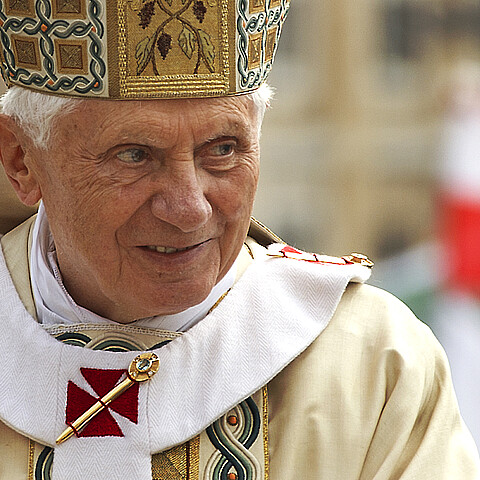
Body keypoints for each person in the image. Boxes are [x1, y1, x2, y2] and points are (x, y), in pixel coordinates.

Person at [0, 1, 478, 479]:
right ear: (22, 159)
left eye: (223, 149)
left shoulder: (373, 367)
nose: (190, 209)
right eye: (134, 155)